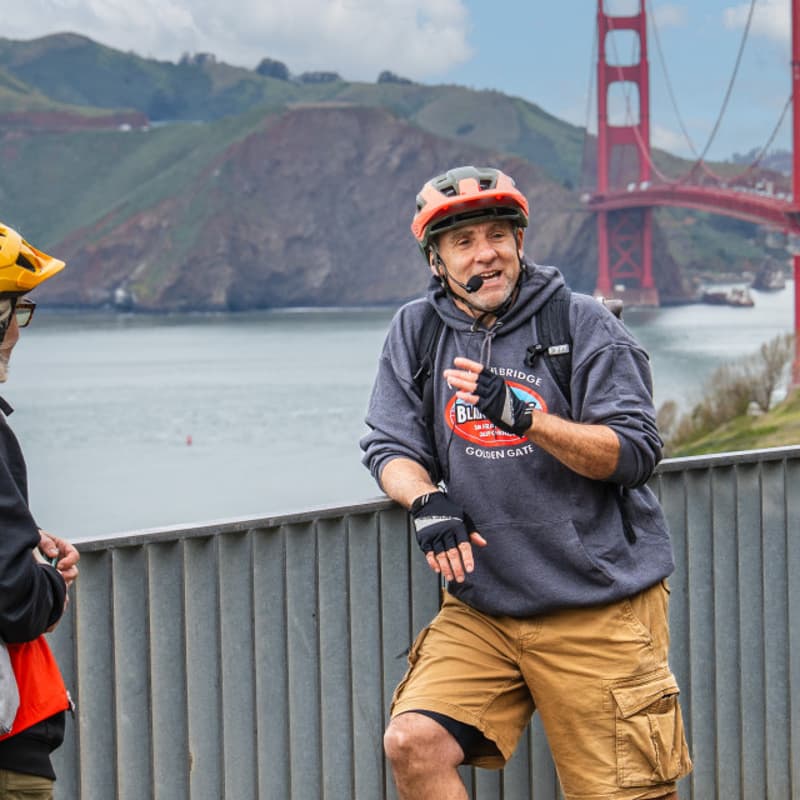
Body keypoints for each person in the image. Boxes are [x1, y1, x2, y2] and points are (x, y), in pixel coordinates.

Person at [360, 166, 692, 800]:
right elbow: (389, 445)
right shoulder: (418, 330)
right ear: (436, 261)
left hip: (596, 605)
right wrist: (425, 499)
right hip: (484, 606)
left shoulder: (580, 324)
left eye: (497, 235)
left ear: (520, 241)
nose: (485, 253)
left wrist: (527, 418)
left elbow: (634, 451)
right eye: (462, 242)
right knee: (414, 743)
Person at [0, 222, 79, 799]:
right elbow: (15, 601)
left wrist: (20, 534)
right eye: (15, 311)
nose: (16, 334)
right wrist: (50, 582)